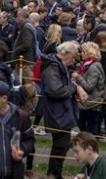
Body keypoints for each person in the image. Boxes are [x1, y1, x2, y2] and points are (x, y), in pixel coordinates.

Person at [41, 40, 87, 179]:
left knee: (63, 145)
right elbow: (55, 91)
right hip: (57, 113)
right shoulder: (52, 67)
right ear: (65, 53)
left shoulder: (59, 66)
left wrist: (75, 86)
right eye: (73, 57)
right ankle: (54, 174)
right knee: (60, 145)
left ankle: (54, 173)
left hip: (62, 112)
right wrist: (74, 88)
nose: (74, 61)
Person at [75, 41, 106, 135]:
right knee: (83, 126)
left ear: (89, 53)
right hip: (86, 102)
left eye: (83, 52)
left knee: (91, 129)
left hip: (92, 103)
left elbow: (89, 87)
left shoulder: (93, 67)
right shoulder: (86, 65)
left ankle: (91, 147)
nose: (80, 54)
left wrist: (77, 77)